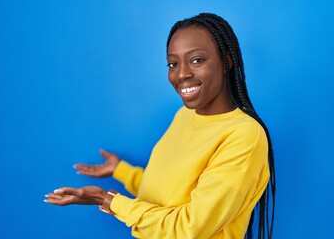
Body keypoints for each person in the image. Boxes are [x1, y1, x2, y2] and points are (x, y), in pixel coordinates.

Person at [44, 13, 276, 239]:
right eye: (173, 63)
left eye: (197, 60)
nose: (182, 74)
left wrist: (107, 200)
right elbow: (166, 193)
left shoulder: (244, 134)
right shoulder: (185, 115)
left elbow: (188, 229)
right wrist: (120, 170)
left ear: (226, 61)